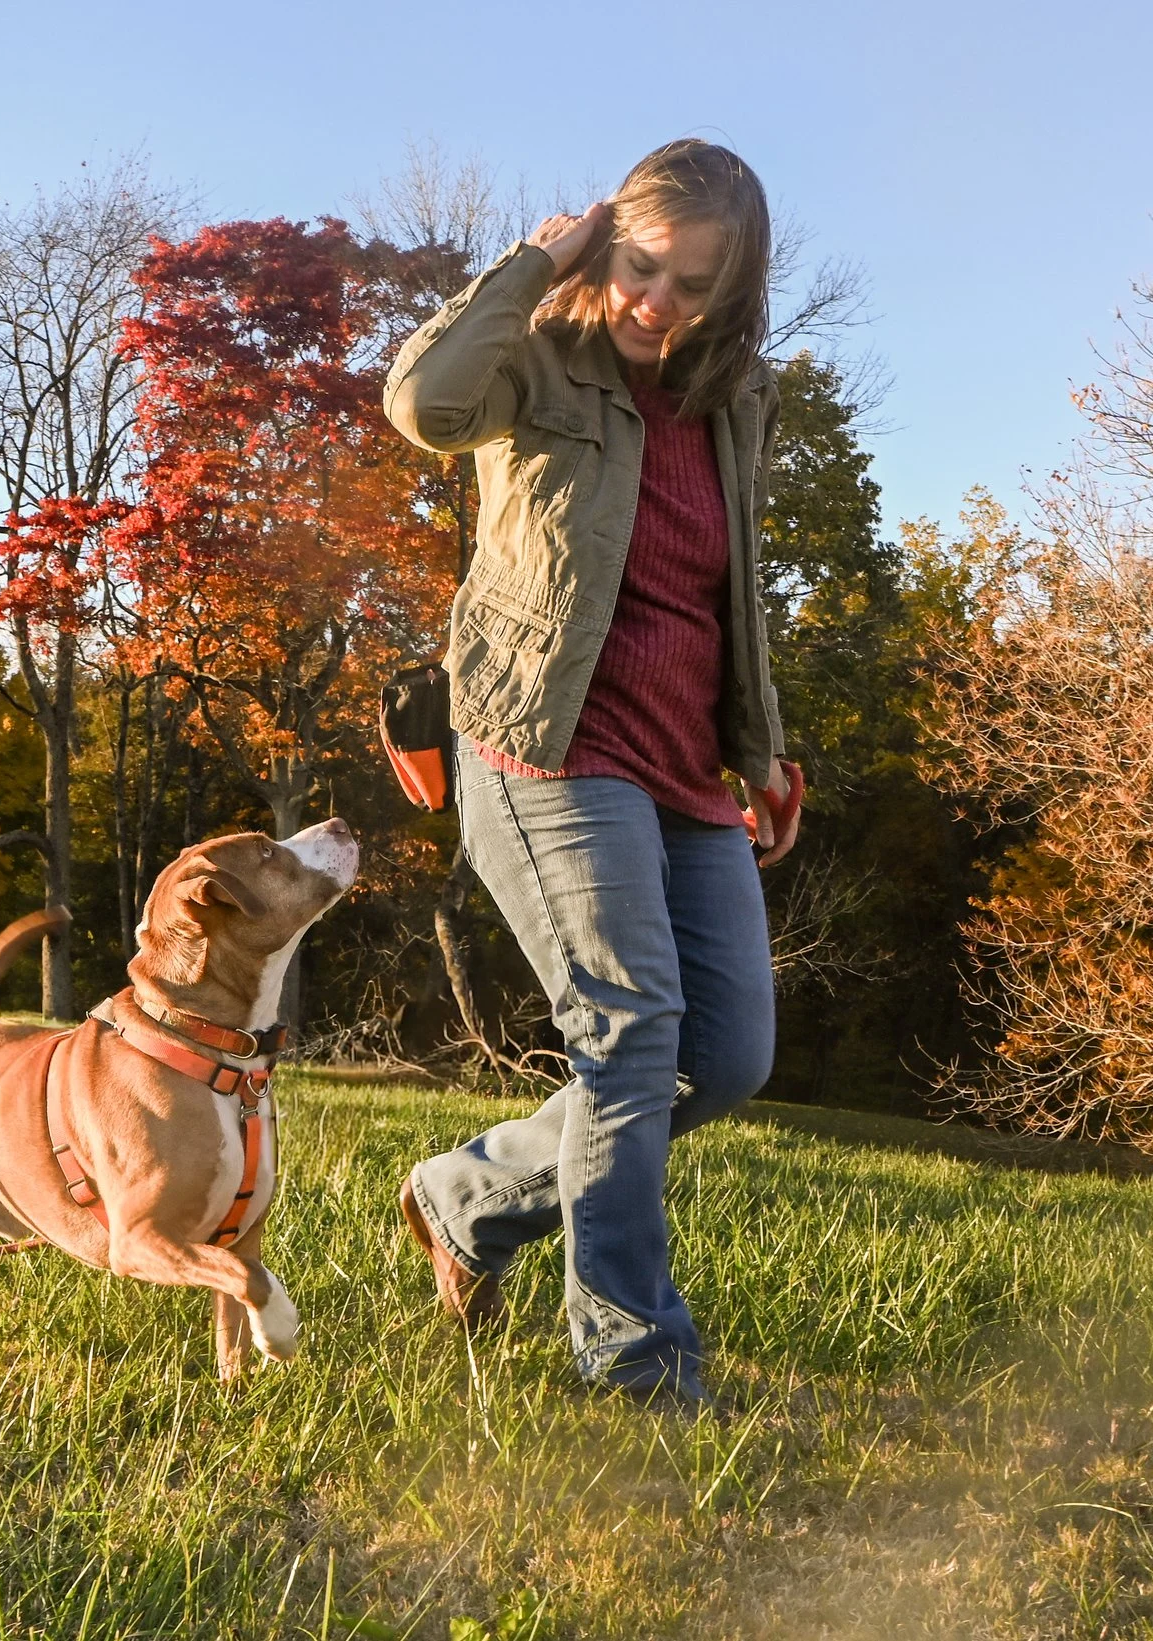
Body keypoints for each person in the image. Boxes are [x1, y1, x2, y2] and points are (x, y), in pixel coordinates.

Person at [381, 139, 801, 1409]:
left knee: (721, 1059)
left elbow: (727, 591)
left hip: (683, 767)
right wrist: (534, 261)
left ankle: (468, 1195)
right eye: (638, 266)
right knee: (627, 1039)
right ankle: (633, 1359)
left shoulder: (736, 398)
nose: (653, 302)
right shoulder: (539, 357)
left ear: (733, 294)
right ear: (605, 243)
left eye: (690, 286)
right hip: (542, 744)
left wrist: (763, 750)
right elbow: (424, 406)